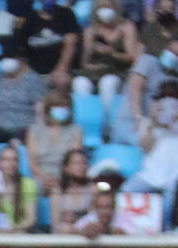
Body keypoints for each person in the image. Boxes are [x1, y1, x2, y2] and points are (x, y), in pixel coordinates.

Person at [123, 82, 178, 226]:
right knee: (125, 191)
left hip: (173, 177)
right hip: (150, 175)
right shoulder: (147, 122)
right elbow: (145, 147)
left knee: (170, 199)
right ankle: (125, 227)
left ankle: (166, 230)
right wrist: (154, 123)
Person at [72, 0, 137, 113]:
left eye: (108, 6)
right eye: (101, 7)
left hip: (117, 70)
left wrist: (112, 53)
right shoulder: (90, 30)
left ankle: (107, 123)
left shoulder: (126, 27)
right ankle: (87, 120)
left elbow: (131, 58)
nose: (105, 10)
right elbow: (84, 62)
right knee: (80, 83)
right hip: (95, 70)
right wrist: (90, 48)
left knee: (107, 83)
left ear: (115, 8)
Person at [112, 36, 178, 144]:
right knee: (152, 144)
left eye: (176, 55)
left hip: (156, 127)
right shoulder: (147, 61)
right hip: (130, 123)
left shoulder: (174, 79)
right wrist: (139, 119)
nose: (172, 56)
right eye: (171, 51)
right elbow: (135, 89)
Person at [0, 41, 47, 144]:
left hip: (24, 127)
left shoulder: (33, 80)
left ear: (20, 60)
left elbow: (39, 110)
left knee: (20, 139)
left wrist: (39, 133)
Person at [26, 87, 83, 193]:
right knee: (32, 188)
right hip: (40, 176)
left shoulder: (76, 131)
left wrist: (60, 179)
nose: (62, 109)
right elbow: (32, 162)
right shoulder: (34, 130)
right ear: (49, 108)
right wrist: (44, 178)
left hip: (66, 176)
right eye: (57, 106)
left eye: (65, 106)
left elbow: (75, 160)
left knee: (65, 188)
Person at [21, 0, 80, 87]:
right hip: (34, 71)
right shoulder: (28, 17)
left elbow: (71, 43)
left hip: (59, 70)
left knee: (63, 81)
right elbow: (20, 50)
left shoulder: (66, 14)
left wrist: (61, 69)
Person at [0, 141, 37, 228]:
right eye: (6, 160)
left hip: (20, 234)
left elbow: (30, 219)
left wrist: (12, 230)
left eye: (14, 160)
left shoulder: (29, 185)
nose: (11, 164)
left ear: (19, 163)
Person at [50, 144, 94, 228]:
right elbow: (55, 223)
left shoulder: (93, 189)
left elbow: (94, 219)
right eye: (76, 163)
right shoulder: (58, 190)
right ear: (66, 168)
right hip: (64, 234)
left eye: (83, 162)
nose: (81, 166)